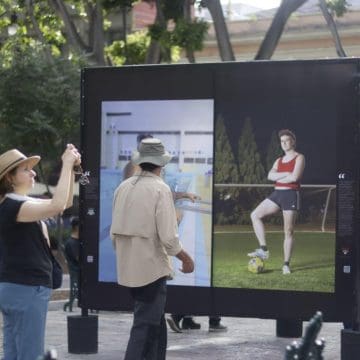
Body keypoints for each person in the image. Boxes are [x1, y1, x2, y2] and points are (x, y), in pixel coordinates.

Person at [110, 138, 195, 360]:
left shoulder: (123, 187)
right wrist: (186, 259)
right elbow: (169, 237)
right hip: (151, 268)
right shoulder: (160, 189)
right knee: (144, 327)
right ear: (161, 164)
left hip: (128, 267)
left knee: (155, 323)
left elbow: (113, 232)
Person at [0, 144, 80, 360]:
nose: (33, 172)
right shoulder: (14, 207)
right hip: (26, 289)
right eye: (26, 169)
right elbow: (56, 205)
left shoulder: (14, 204)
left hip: (17, 288)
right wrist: (66, 163)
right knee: (29, 354)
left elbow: (64, 203)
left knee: (14, 353)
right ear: (10, 178)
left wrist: (70, 170)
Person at [248, 129, 305, 274]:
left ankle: (286, 264)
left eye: (287, 140)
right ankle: (263, 249)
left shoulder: (299, 158)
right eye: (282, 141)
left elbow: (295, 178)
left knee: (288, 231)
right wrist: (286, 174)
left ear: (293, 141)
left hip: (291, 195)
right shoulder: (278, 160)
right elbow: (269, 176)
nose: (284, 143)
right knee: (255, 215)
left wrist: (280, 177)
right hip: (277, 194)